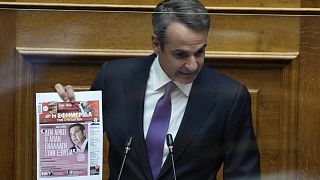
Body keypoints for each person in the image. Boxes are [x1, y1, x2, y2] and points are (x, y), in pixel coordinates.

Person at [55, 0, 260, 179]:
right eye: (180, 55)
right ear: (156, 44)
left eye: (199, 52)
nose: (193, 65)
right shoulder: (113, 79)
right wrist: (66, 111)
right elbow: (79, 150)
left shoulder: (230, 97)